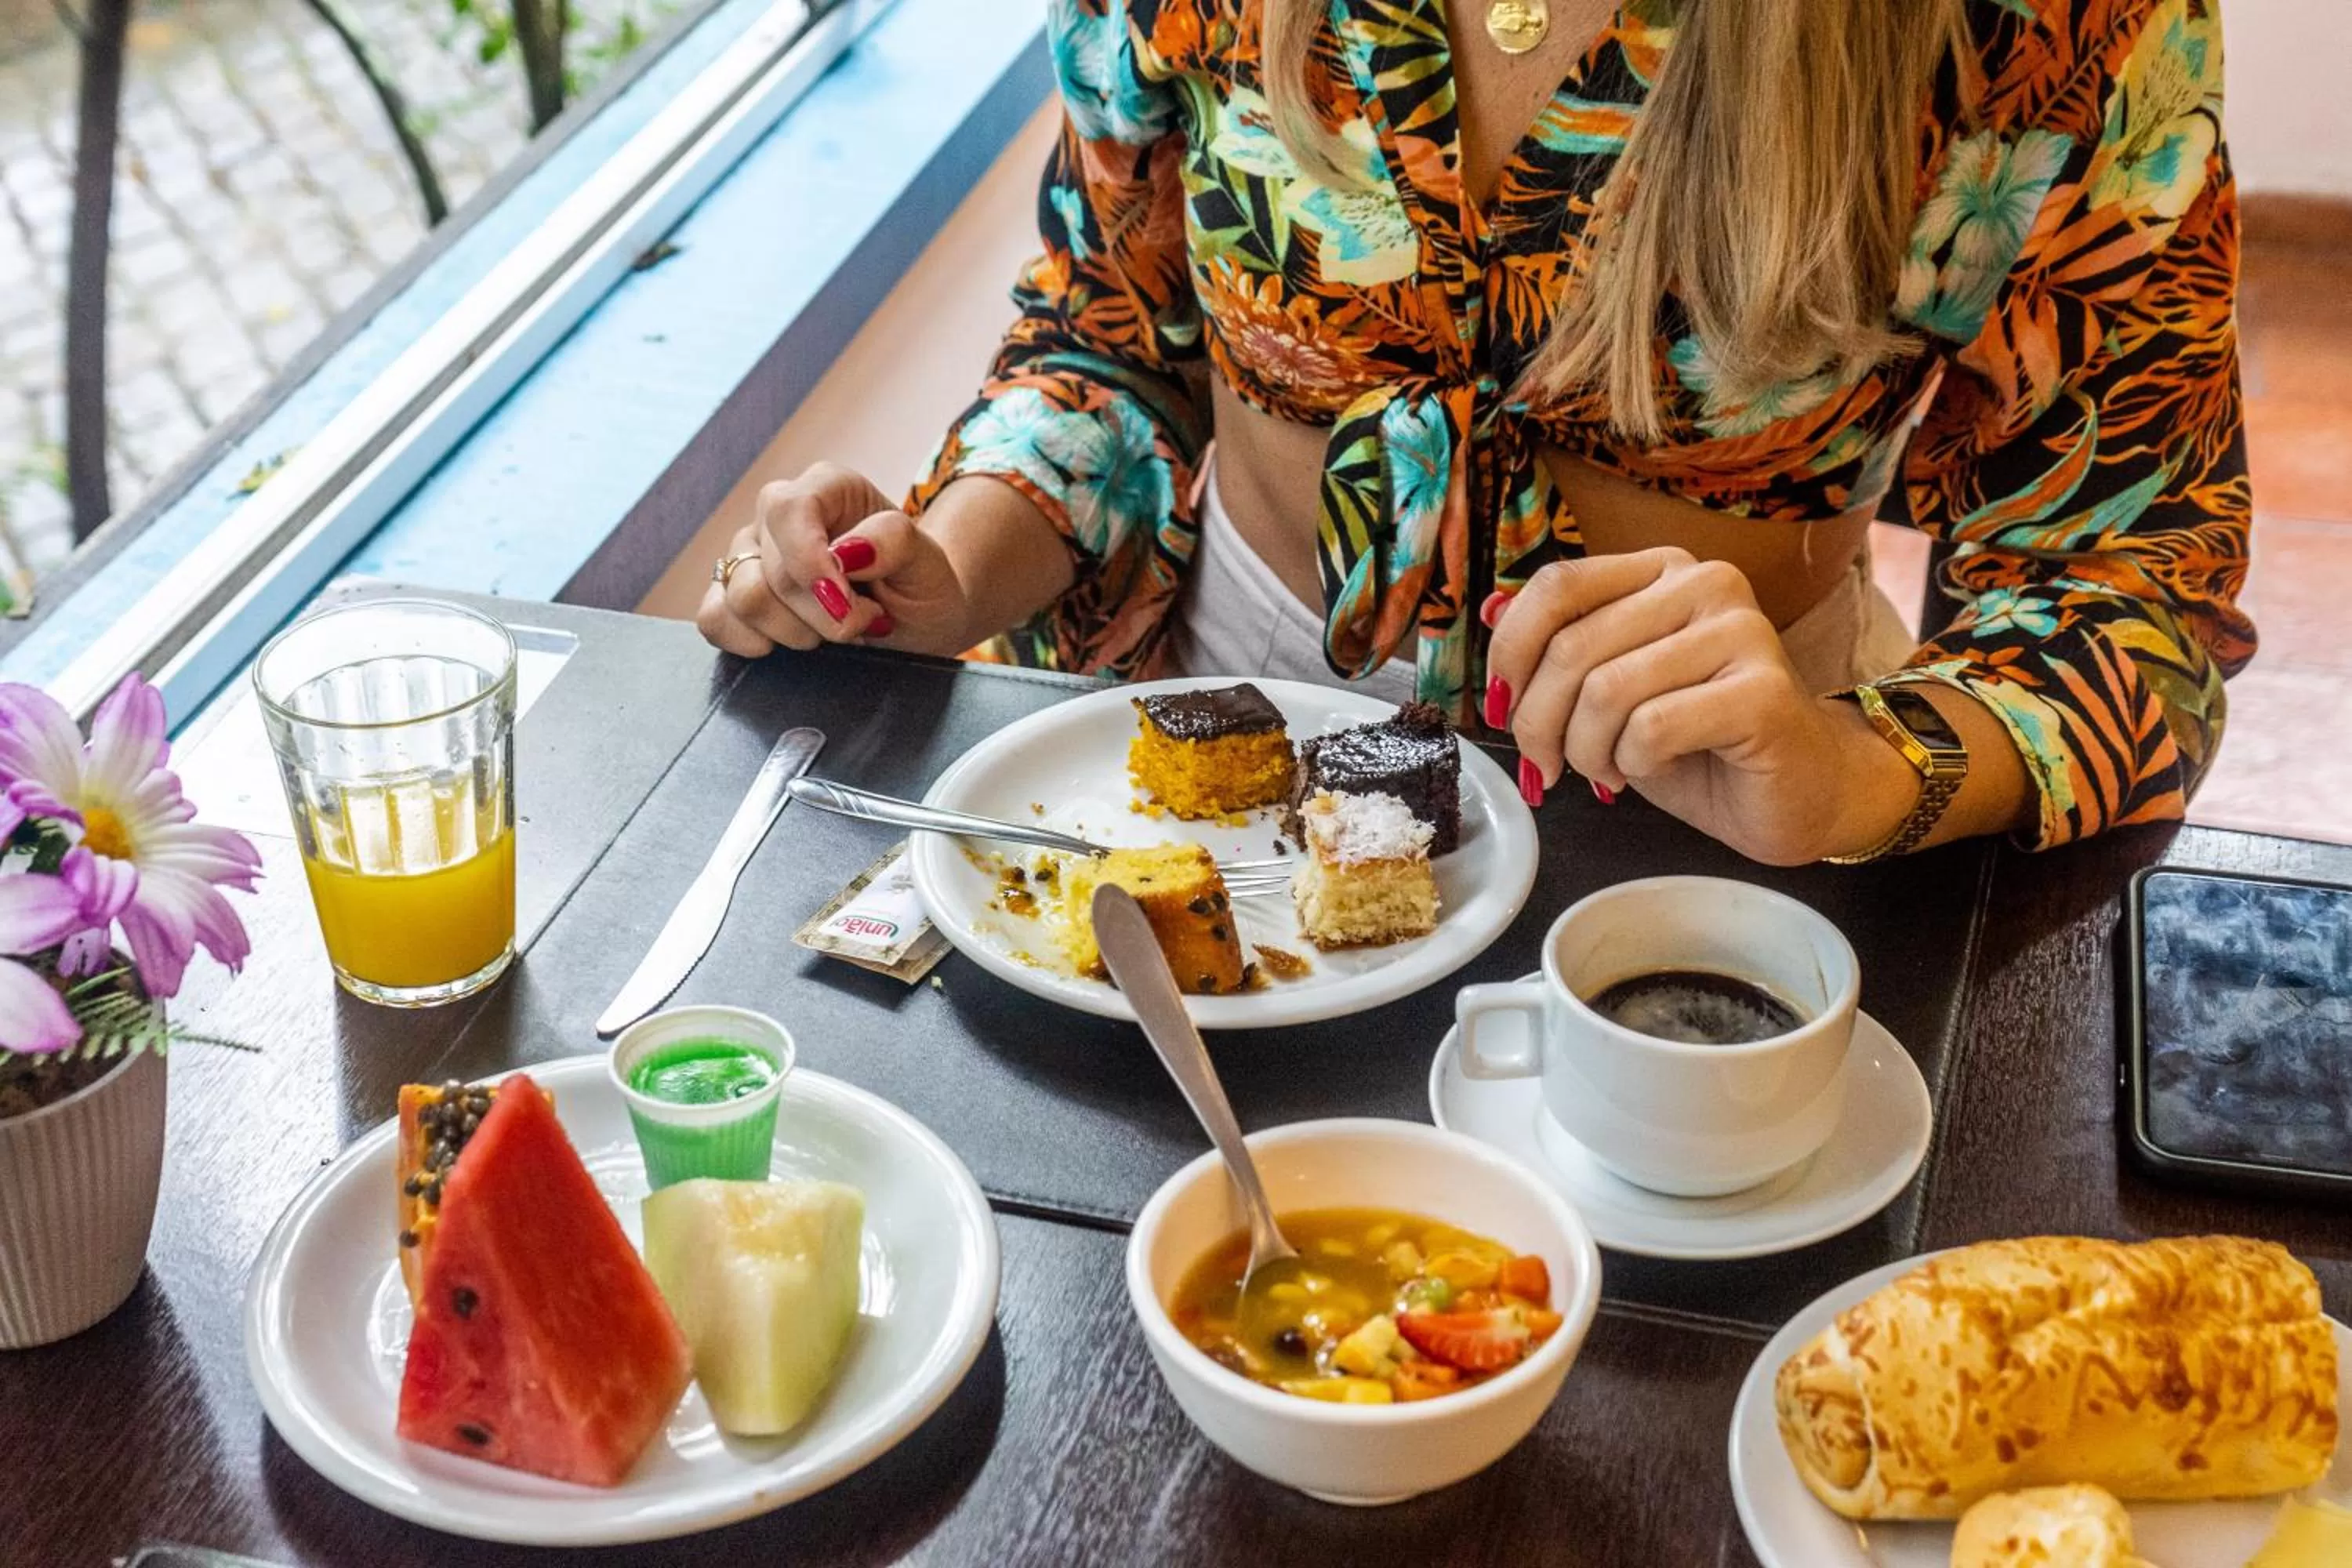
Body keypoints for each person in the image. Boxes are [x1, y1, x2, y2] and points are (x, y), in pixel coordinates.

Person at [698, 0, 2251, 866]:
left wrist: (1845, 772)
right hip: (1194, 766)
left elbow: (2136, 588)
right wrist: (960, 564)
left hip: (1713, 822)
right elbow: (1114, 328)